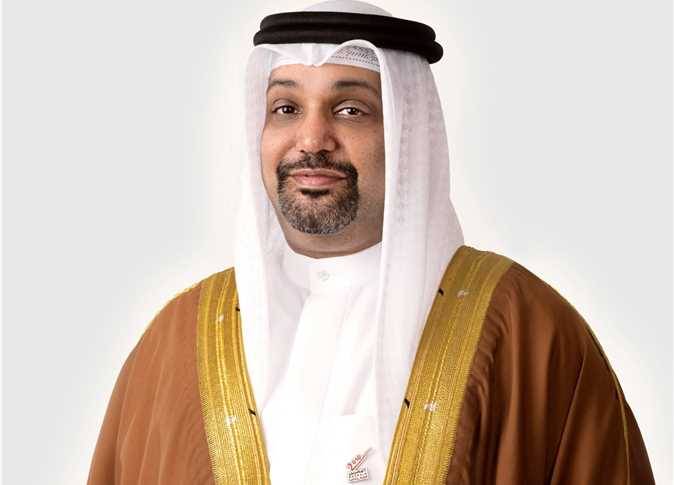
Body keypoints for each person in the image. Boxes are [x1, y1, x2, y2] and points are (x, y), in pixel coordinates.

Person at [87, 1, 656, 484]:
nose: (312, 139)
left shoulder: (529, 331)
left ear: (408, 136)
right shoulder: (174, 341)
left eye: (350, 110)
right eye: (286, 108)